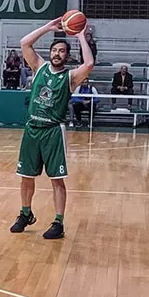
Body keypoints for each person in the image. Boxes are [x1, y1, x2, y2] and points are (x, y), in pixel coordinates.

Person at [10, 17, 94, 240]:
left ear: (67, 56)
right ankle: (25, 213)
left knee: (56, 179)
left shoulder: (70, 77)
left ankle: (58, 222)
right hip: (32, 129)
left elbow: (89, 65)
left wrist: (80, 37)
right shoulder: (39, 67)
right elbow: (24, 43)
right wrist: (48, 27)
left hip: (53, 131)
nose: (57, 53)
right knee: (26, 176)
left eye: (62, 51)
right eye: (54, 50)